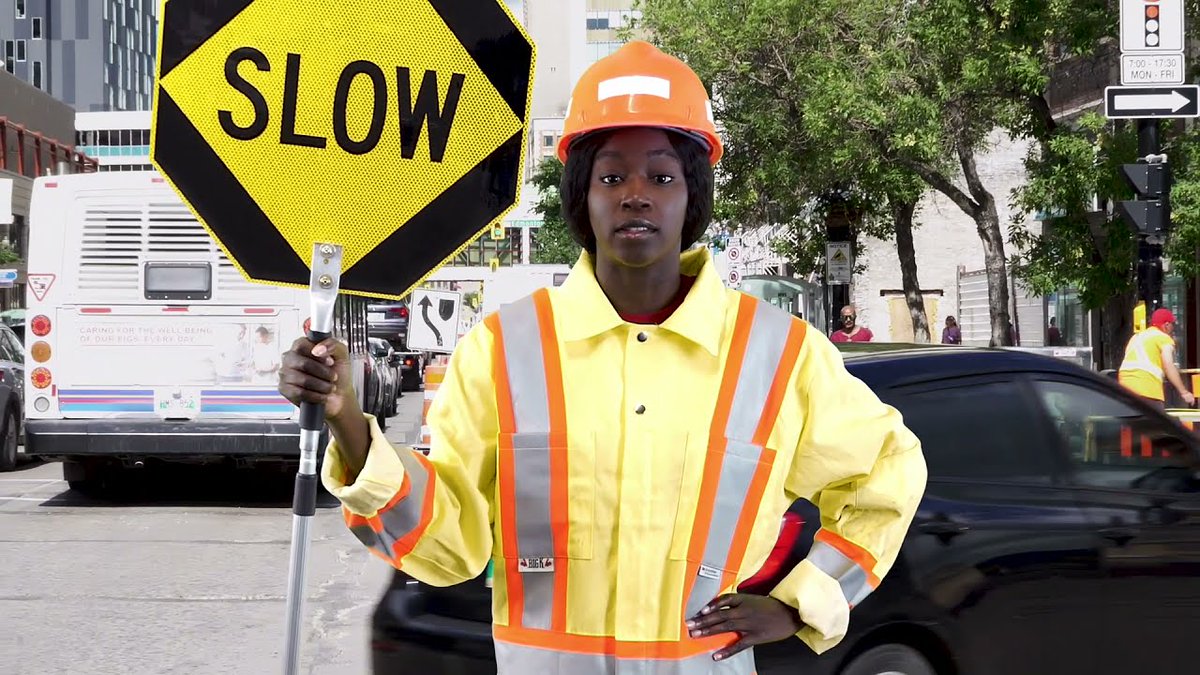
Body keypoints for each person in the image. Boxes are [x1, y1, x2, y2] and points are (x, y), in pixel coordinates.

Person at [279, 40, 926, 674]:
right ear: (582, 198)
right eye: (611, 175)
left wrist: (803, 600)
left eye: (662, 175)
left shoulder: (778, 355)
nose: (635, 193)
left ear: (692, 195)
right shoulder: (503, 351)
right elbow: (449, 545)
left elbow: (886, 474)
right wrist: (349, 423)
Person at [1118, 308, 1195, 409]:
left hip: (1123, 391)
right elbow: (1168, 365)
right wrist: (1184, 392)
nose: (1173, 328)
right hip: (1147, 391)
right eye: (1173, 324)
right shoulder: (1163, 338)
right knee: (1156, 424)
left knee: (1129, 424)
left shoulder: (1136, 337)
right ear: (1166, 325)